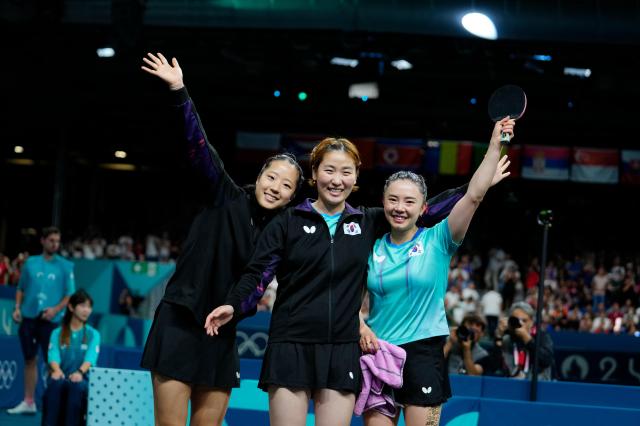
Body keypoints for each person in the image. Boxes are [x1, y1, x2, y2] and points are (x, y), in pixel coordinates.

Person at [204, 135, 504, 426]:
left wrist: (476, 186)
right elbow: (259, 273)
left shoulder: (367, 222)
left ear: (355, 176)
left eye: (345, 171)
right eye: (329, 170)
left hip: (342, 351)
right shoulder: (288, 221)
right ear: (315, 173)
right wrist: (234, 304)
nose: (337, 180)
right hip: (291, 346)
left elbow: (423, 208)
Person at [138, 52, 306, 426]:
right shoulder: (224, 194)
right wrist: (180, 92)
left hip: (222, 332)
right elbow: (199, 146)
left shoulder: (280, 234)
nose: (275, 187)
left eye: (286, 185)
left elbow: (258, 282)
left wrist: (234, 307)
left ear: (293, 195)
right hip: (180, 321)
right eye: (271, 177)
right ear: (260, 175)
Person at [359, 117, 514, 426]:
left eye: (408, 201)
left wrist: (495, 144)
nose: (399, 207)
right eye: (393, 199)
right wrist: (360, 325)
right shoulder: (371, 245)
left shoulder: (439, 239)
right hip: (378, 352)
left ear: (422, 207)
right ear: (383, 202)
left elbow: (473, 195)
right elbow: (351, 296)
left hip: (423, 353)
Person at [8, 227, 76, 415]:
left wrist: (54, 310)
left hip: (52, 322)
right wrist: (17, 309)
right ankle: (29, 402)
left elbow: (70, 295)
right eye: (52, 240)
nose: (55, 244)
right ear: (43, 241)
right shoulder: (30, 263)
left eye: (57, 241)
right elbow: (21, 288)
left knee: (52, 363)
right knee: (29, 359)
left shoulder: (66, 266)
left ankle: (56, 404)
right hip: (29, 318)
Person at [42, 289, 100, 426]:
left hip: (82, 380)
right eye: (83, 306)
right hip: (61, 376)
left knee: (76, 387)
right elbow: (53, 354)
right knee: (55, 385)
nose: (87, 310)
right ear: (71, 307)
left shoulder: (93, 334)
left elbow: (91, 358)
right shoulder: (57, 333)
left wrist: (79, 373)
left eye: (89, 307)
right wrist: (56, 370)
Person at [494, 301, 555, 380]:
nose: (521, 324)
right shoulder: (507, 339)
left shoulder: (541, 337)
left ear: (531, 322)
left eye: (524, 320)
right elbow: (495, 366)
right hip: (511, 386)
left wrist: (528, 340)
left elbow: (546, 360)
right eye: (516, 320)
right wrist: (498, 336)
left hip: (537, 388)